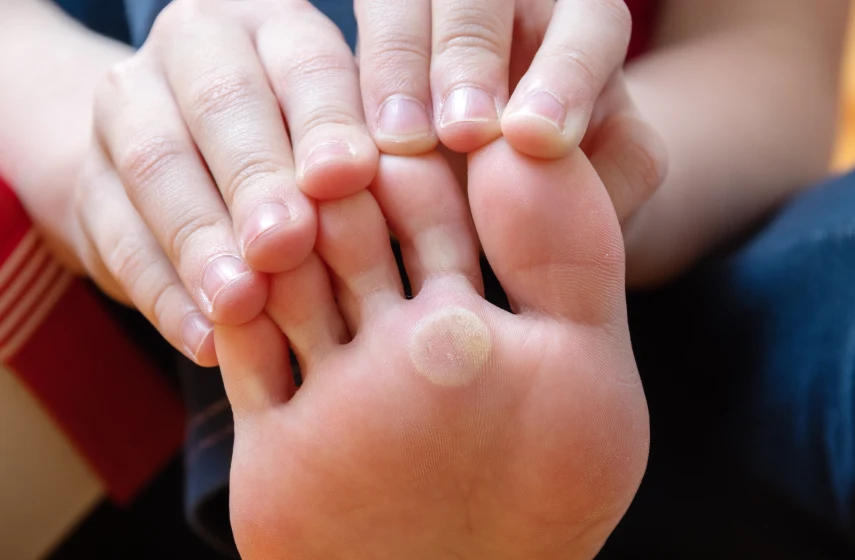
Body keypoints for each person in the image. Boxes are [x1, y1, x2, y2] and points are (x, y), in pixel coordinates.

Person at [0, 0, 851, 558]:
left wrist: (569, 167)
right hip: (155, 254)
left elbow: (769, 57)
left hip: (639, 300)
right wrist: (88, 147)